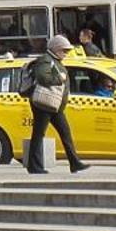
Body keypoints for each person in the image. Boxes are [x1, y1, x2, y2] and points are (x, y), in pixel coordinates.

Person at [23, 35, 87, 174]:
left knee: (65, 133)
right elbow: (43, 77)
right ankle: (34, 166)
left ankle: (74, 162)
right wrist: (59, 78)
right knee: (39, 134)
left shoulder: (54, 60)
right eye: (64, 51)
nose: (66, 54)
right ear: (56, 49)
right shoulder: (46, 60)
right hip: (44, 104)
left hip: (54, 105)